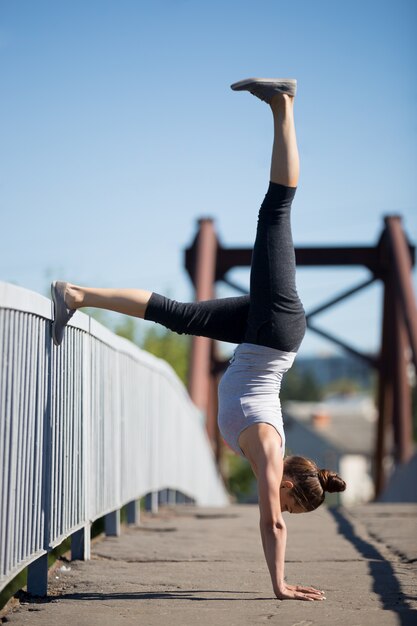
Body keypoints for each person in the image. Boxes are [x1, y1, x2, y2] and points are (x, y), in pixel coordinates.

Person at [51, 77, 346, 602]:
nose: (284, 514)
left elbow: (275, 520)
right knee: (275, 210)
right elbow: (273, 527)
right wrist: (279, 584)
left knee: (179, 316)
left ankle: (78, 294)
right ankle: (284, 105)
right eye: (292, 506)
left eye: (291, 512)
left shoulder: (265, 456)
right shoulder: (271, 453)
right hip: (274, 331)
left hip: (264, 335)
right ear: (288, 488)